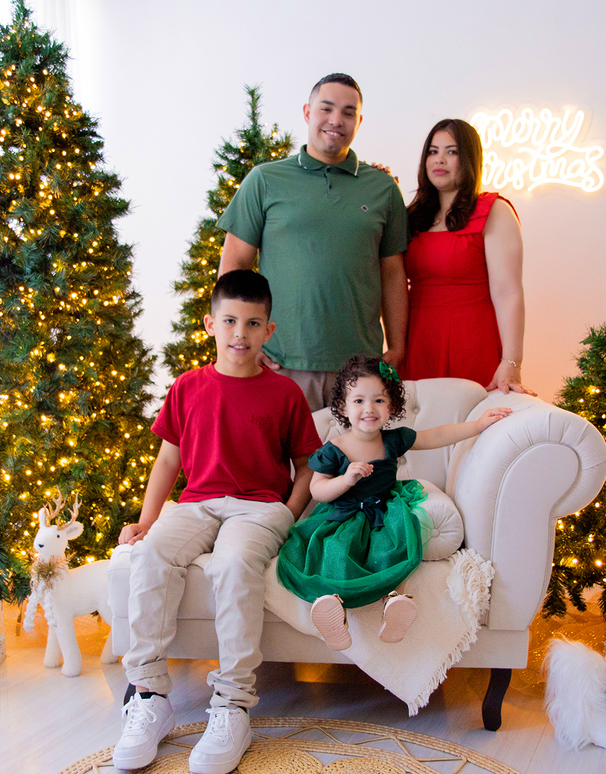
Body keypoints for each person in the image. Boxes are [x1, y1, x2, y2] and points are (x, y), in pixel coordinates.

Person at [112, 271, 323, 774]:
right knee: (151, 555)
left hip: (259, 507)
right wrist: (147, 522)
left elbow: (308, 464)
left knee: (231, 565)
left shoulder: (284, 393)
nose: (239, 334)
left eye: (252, 324)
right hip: (197, 503)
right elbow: (168, 461)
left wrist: (290, 513)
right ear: (210, 323)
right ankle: (148, 696)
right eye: (229, 321)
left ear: (268, 330)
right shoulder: (187, 387)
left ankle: (232, 706)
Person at [275, 355, 511, 650]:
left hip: (383, 510)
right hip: (342, 515)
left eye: (379, 401)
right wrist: (345, 480)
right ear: (344, 408)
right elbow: (318, 489)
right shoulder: (334, 449)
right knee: (337, 550)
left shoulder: (392, 440)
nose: (369, 409)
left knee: (395, 543)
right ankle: (332, 609)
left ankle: (395, 602)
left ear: (392, 407)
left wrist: (477, 425)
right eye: (359, 401)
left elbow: (436, 435)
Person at [218, 73, 409, 411]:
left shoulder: (382, 188)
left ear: (359, 121)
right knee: (283, 466)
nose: (337, 120)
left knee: (357, 465)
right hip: (282, 363)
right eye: (327, 108)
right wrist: (245, 342)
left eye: (348, 113)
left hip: (359, 370)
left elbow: (393, 274)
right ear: (307, 112)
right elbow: (235, 264)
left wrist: (397, 347)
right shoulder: (265, 180)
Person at [397, 118, 536, 396]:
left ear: (470, 159)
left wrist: (512, 362)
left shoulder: (494, 210)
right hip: (420, 340)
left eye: (452, 151)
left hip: (473, 339)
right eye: (433, 152)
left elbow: (508, 292)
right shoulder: (411, 216)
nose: (440, 160)